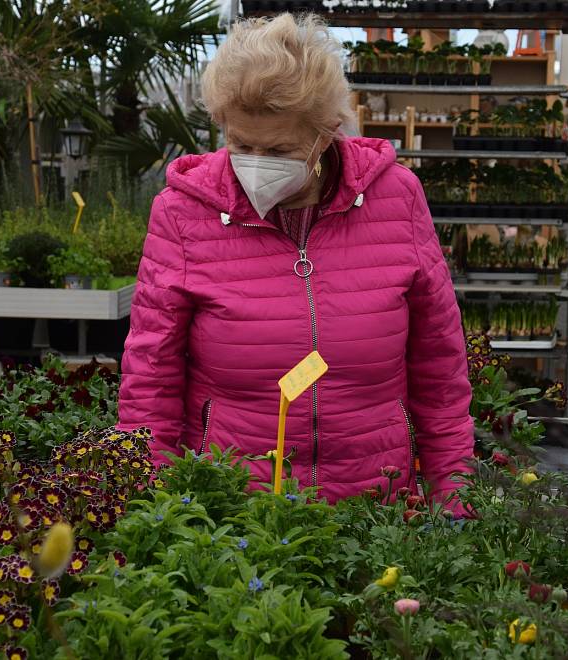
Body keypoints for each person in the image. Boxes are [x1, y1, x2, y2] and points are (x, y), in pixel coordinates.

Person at [118, 13, 474, 510]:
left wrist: (452, 491)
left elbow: (439, 363)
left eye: (281, 149)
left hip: (374, 505)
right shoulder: (182, 213)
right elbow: (149, 375)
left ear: (327, 133)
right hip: (233, 512)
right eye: (241, 144)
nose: (256, 163)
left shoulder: (397, 198)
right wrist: (152, 505)